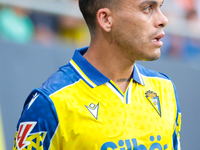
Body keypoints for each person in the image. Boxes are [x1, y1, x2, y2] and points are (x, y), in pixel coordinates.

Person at [13, 0, 181, 149]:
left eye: (160, 6)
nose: (163, 20)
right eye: (147, 8)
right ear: (106, 19)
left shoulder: (165, 89)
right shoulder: (52, 102)